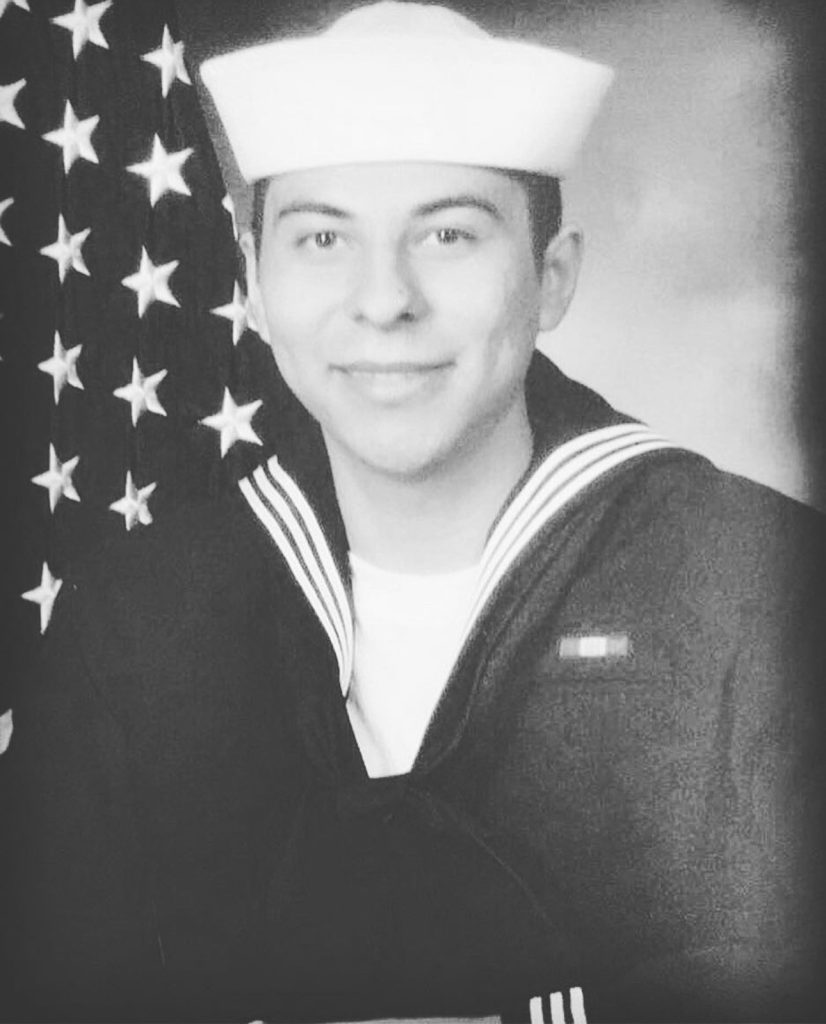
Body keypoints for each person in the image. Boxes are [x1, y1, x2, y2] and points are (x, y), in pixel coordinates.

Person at [2, 3, 824, 1022]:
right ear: (253, 280)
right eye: (320, 237)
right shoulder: (129, 626)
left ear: (551, 275)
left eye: (446, 232)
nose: (383, 299)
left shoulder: (766, 594)